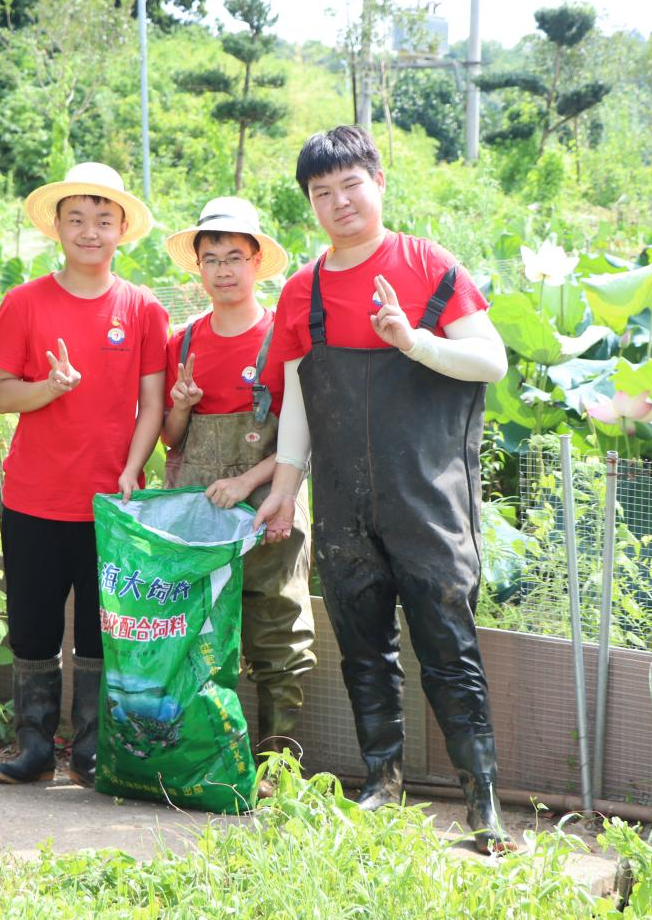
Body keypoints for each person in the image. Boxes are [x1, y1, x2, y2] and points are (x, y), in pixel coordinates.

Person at [252, 125, 515, 853]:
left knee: (448, 645)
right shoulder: (302, 291)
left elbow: (491, 360)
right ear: (310, 202)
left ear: (379, 183)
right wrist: (285, 486)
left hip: (428, 497)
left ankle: (483, 801)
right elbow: (300, 398)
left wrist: (414, 342)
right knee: (363, 646)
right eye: (322, 192)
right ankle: (382, 781)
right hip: (344, 503)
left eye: (351, 185)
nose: (339, 202)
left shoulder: (428, 265)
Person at [0, 162, 169, 788]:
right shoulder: (24, 303)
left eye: (104, 220)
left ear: (122, 230)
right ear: (56, 227)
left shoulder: (142, 308)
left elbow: (153, 403)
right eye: (77, 219)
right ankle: (34, 747)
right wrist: (49, 388)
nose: (91, 231)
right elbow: (1, 393)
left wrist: (133, 469)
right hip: (33, 496)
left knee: (99, 630)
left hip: (111, 502)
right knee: (32, 628)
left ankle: (90, 750)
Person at [160, 197, 317, 773]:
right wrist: (181, 406)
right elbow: (170, 439)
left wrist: (250, 480)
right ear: (198, 268)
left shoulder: (285, 338)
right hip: (198, 513)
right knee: (196, 633)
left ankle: (278, 766)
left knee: (278, 632)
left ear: (256, 263)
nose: (223, 270)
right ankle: (203, 761)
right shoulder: (182, 342)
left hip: (270, 503)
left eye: (234, 257)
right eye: (211, 259)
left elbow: (308, 431)